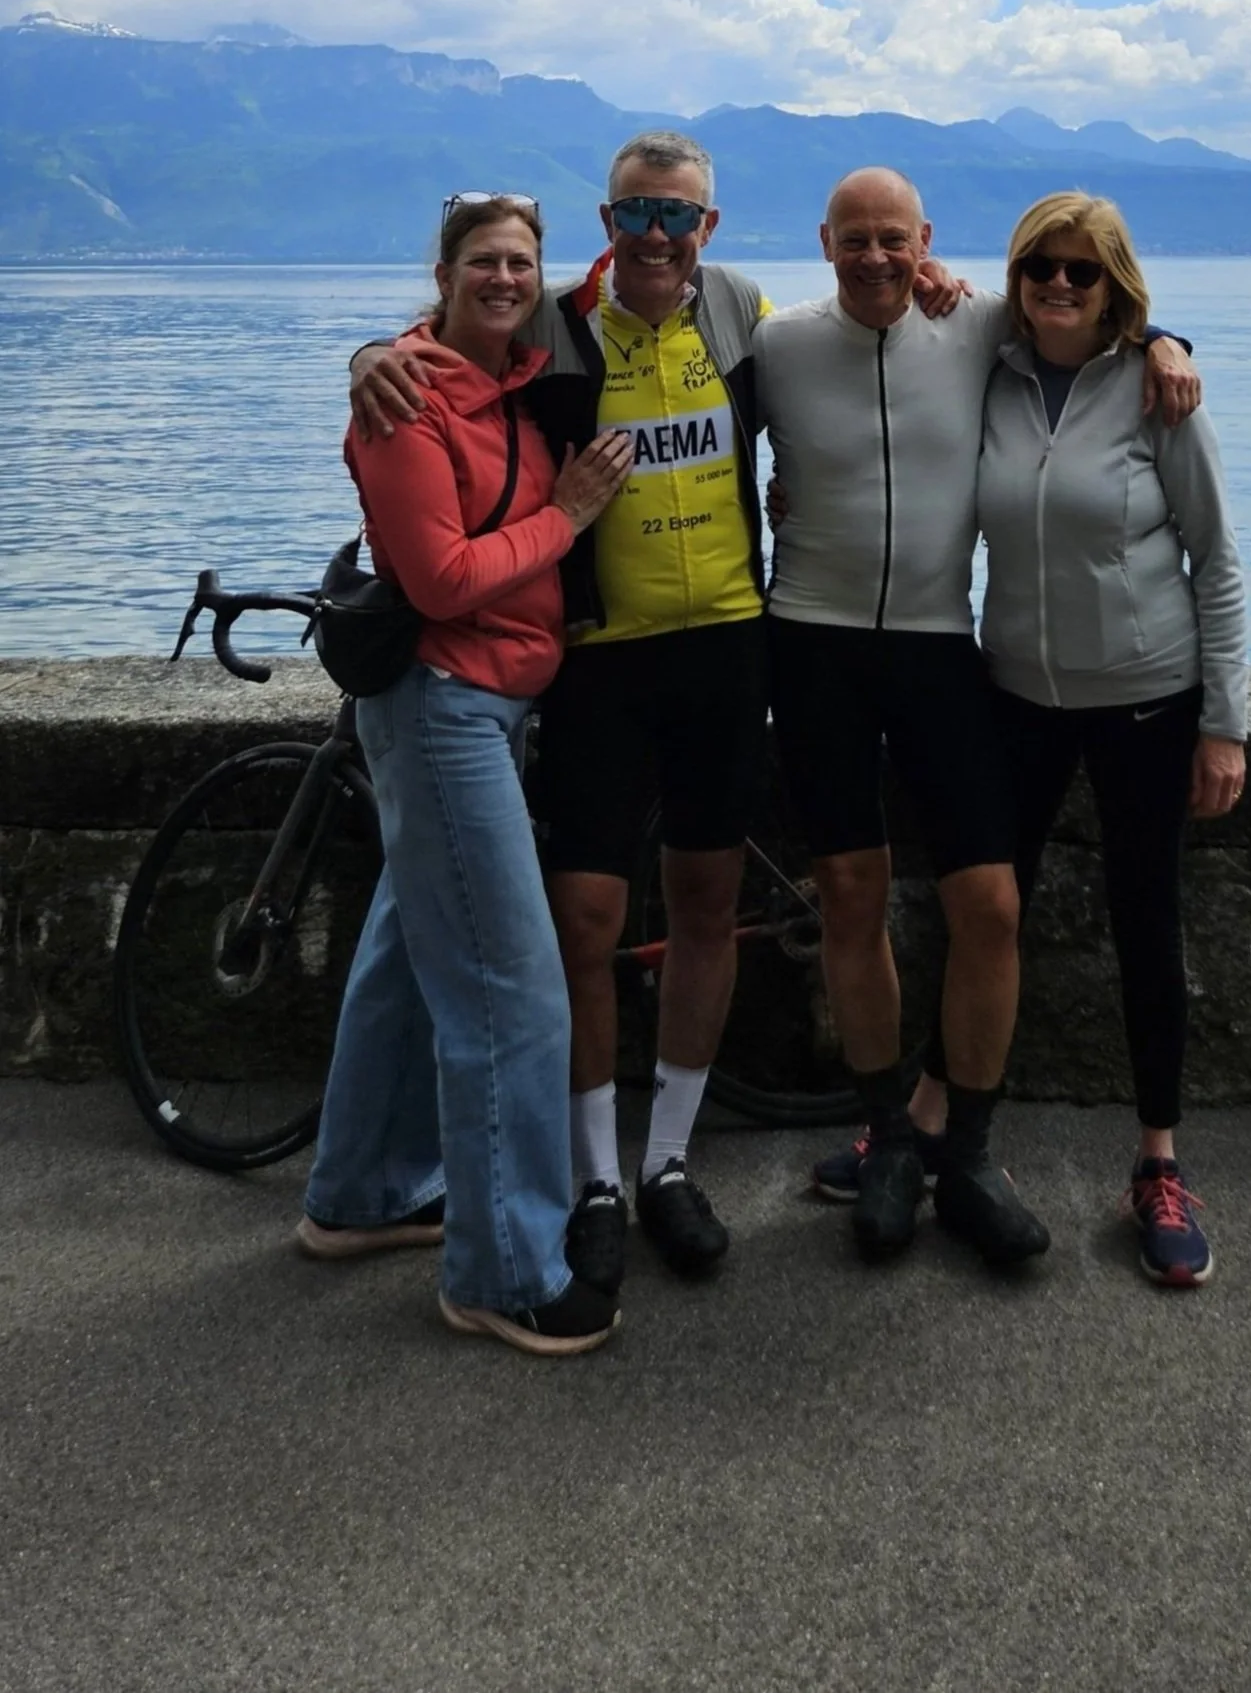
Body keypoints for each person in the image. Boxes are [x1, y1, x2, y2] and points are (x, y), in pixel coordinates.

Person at [350, 135, 969, 1300]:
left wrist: (936, 284)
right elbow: (451, 338)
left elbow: (862, 339)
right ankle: (594, 1182)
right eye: (635, 213)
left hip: (729, 648)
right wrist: (370, 352)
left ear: (710, 230)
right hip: (600, 665)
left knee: (702, 907)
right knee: (583, 925)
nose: (654, 236)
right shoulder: (554, 321)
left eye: (677, 217)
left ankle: (670, 1163)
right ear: (605, 216)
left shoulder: (745, 314)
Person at [755, 167, 1199, 1271]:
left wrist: (1169, 346)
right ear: (823, 242)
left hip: (937, 645)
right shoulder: (775, 348)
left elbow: (1092, 310)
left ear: (925, 243)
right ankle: (895, 1138)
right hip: (809, 640)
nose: (874, 258)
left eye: (893, 239)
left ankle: (971, 1152)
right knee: (852, 895)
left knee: (990, 904)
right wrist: (384, 352)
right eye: (853, 239)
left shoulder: (979, 324)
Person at [300, 195, 634, 1357]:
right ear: (441, 274)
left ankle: (359, 1194)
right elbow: (441, 579)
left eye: (520, 263)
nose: (504, 278)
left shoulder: (516, 377)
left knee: (405, 964)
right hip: (442, 702)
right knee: (511, 990)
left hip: (495, 706)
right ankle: (504, 1271)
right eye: (483, 262)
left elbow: (645, 257)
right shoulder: (406, 396)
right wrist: (567, 512)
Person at [975, 191, 1246, 1286]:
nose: (1057, 285)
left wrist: (1224, 725)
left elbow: (1216, 562)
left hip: (1144, 697)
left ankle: (1159, 1164)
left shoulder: (1157, 390)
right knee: (985, 913)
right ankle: (935, 1124)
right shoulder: (982, 368)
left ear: (1115, 285)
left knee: (1146, 925)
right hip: (1016, 695)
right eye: (1040, 264)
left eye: (1081, 272)